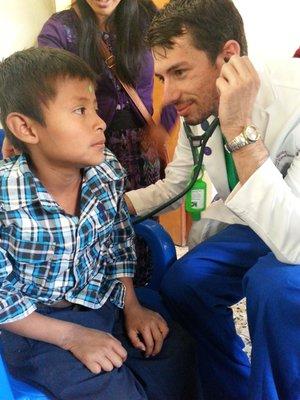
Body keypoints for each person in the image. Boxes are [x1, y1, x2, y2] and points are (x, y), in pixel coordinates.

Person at [0, 47, 199, 400]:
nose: (100, 122)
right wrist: (71, 336)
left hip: (98, 302)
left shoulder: (105, 172)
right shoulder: (6, 199)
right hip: (31, 328)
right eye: (80, 110)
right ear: (26, 128)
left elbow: (118, 241)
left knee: (174, 351)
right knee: (112, 389)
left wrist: (132, 306)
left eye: (93, 108)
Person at [125, 0, 300, 399]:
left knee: (272, 286)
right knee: (187, 281)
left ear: (229, 57)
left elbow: (295, 242)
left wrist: (238, 127)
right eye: (163, 77)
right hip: (257, 225)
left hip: (296, 232)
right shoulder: (198, 110)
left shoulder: (296, 98)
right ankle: (231, 389)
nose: (169, 96)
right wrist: (111, 204)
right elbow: (176, 185)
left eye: (180, 73)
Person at [35, 0, 177, 287]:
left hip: (142, 147)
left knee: (142, 230)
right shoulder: (59, 30)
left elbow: (180, 68)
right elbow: (42, 90)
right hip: (88, 152)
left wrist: (166, 123)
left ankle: (144, 299)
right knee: (97, 232)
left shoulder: (150, 18)